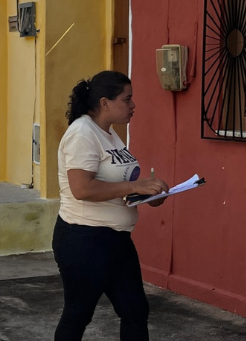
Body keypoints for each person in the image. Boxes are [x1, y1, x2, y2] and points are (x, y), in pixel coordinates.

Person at [53, 70, 169, 341]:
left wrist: (148, 195)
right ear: (105, 103)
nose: (133, 105)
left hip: (116, 239)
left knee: (135, 310)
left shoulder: (109, 134)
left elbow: (116, 184)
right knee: (78, 314)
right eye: (127, 99)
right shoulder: (82, 133)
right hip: (85, 239)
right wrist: (135, 187)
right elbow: (82, 189)